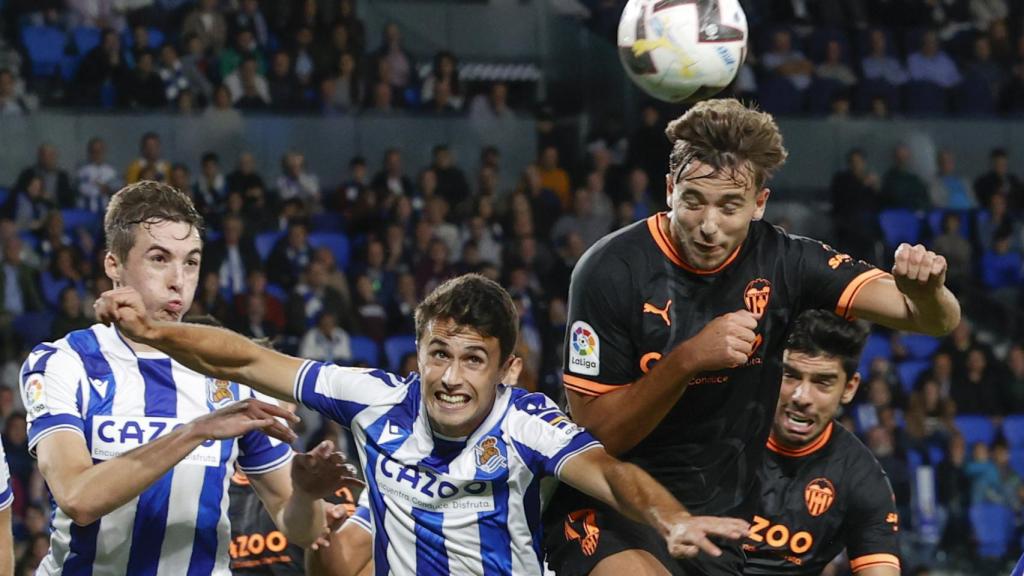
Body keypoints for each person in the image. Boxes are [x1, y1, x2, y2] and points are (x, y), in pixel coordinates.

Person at [542, 98, 959, 576]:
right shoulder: (609, 270)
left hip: (718, 525)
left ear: (759, 203)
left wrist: (929, 292)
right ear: (669, 190)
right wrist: (687, 360)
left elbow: (932, 320)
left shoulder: (787, 261)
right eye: (693, 201)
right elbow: (595, 438)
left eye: (730, 205)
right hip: (614, 507)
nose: (709, 226)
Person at [96, 273, 751, 575]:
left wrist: (673, 518)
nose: (451, 378)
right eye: (439, 353)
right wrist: (156, 329)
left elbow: (613, 476)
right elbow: (246, 356)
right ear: (417, 356)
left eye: (473, 360)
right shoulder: (376, 398)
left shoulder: (529, 423)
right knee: (336, 552)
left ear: (508, 371)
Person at [21, 181, 344, 574]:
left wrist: (307, 496)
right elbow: (77, 497)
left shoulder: (231, 371)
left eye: (190, 262)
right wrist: (196, 431)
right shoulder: (63, 362)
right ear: (113, 265)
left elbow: (299, 529)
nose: (178, 279)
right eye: (159, 259)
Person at [744, 310, 900, 575]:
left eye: (822, 382)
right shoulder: (720, 431)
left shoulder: (862, 478)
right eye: (790, 375)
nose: (801, 396)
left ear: (849, 388)